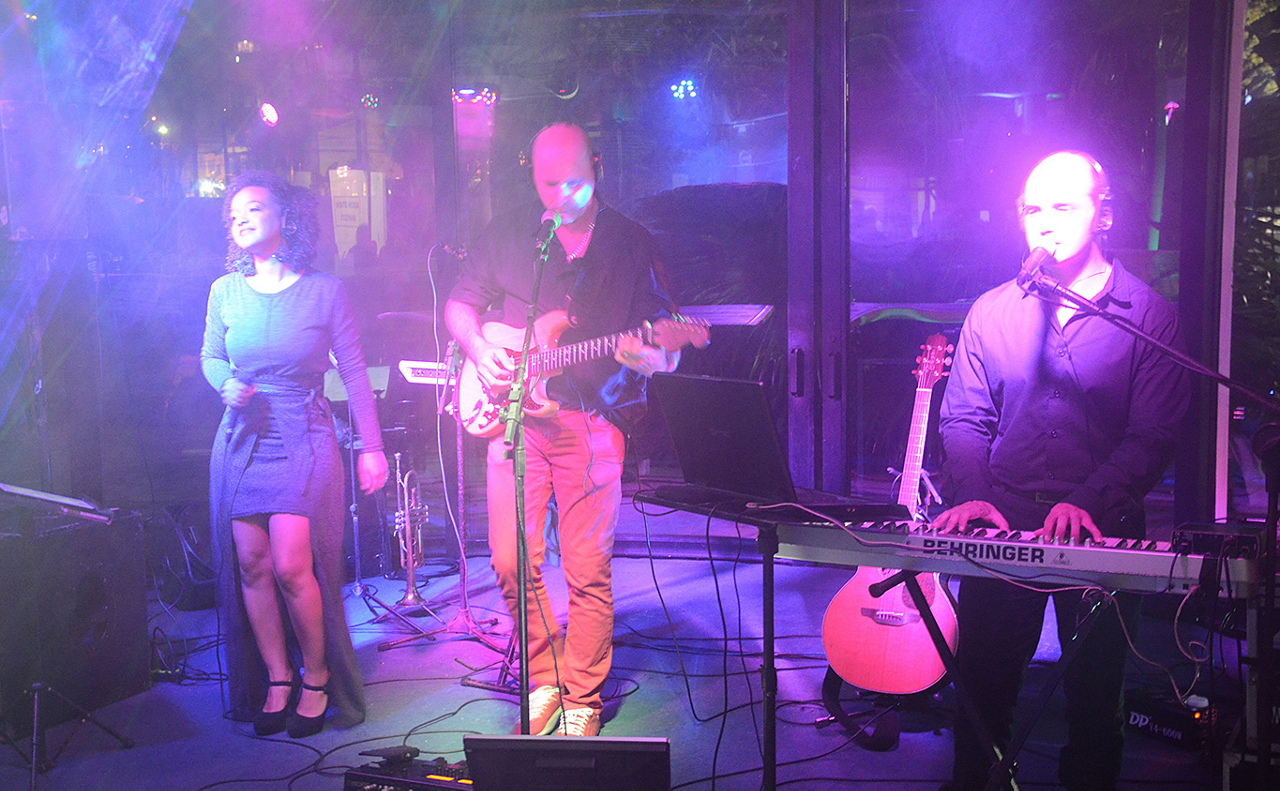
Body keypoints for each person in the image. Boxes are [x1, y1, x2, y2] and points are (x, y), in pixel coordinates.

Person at [930, 150, 1190, 790]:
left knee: (1096, 702)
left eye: (1063, 207)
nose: (1044, 222)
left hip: (1103, 529)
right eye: (1032, 209)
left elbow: (1154, 433)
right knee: (982, 692)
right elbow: (963, 417)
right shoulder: (992, 310)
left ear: (1104, 214)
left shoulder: (1148, 316)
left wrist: (1089, 500)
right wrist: (975, 496)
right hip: (1003, 522)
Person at [444, 123, 680, 737]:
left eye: (575, 182)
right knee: (508, 560)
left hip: (591, 422)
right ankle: (543, 678)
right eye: (549, 184)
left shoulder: (630, 244)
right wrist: (480, 351)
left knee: (586, 569)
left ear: (597, 167)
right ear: (531, 176)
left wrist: (647, 354)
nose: (562, 196)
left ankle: (583, 696)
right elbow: (460, 305)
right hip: (516, 421)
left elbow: (663, 343)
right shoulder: (511, 233)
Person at [202, 170, 389, 738]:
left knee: (290, 565)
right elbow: (210, 356)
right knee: (252, 565)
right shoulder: (224, 290)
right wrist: (223, 383)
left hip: (303, 434)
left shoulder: (324, 290)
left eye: (253, 208)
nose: (240, 219)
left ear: (285, 218)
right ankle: (278, 677)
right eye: (233, 214)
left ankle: (317, 674)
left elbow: (353, 373)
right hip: (242, 438)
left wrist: (373, 447)